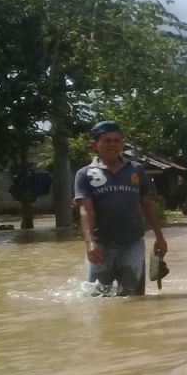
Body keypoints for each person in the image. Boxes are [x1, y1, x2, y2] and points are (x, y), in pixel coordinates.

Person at [73, 120, 167, 296]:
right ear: (95, 145)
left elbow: (147, 205)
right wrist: (90, 242)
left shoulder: (136, 170)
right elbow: (86, 210)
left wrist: (159, 237)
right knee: (98, 297)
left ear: (122, 143)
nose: (112, 145)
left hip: (132, 243)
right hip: (101, 245)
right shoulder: (85, 174)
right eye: (106, 140)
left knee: (133, 298)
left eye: (116, 140)